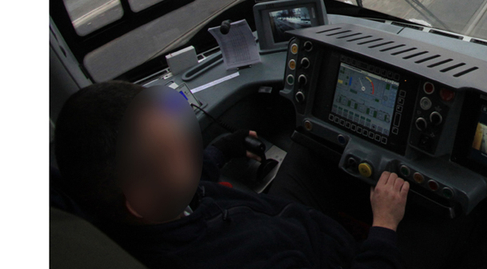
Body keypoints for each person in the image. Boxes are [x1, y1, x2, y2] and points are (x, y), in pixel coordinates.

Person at [53, 81, 409, 269]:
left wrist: (224, 147)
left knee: (306, 146)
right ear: (142, 199)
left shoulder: (149, 211)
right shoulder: (239, 260)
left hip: (271, 220)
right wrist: (384, 227)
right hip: (324, 252)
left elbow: (194, 189)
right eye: (174, 148)